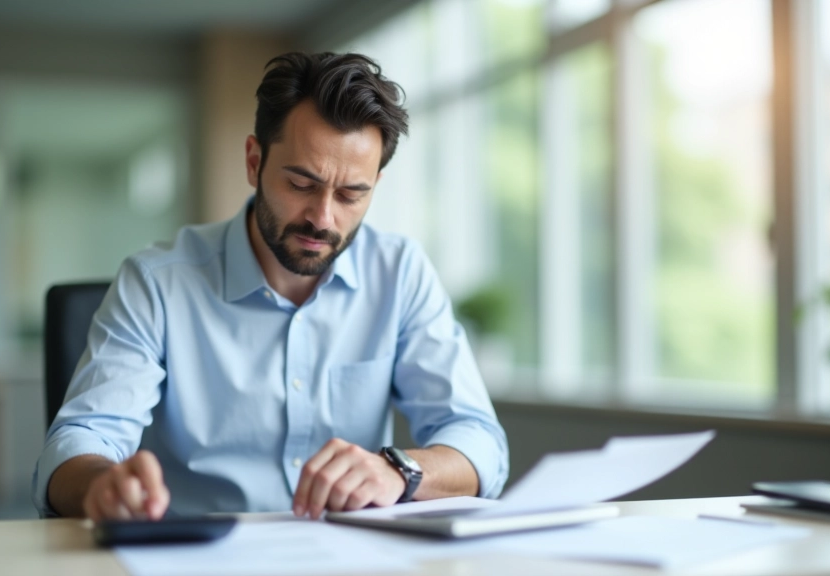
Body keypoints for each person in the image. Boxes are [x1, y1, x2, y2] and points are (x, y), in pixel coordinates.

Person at [32, 52, 509, 521]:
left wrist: (399, 471)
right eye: (302, 184)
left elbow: (480, 442)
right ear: (254, 161)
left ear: (375, 185)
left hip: (348, 559)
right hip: (198, 558)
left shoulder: (400, 273)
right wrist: (102, 485)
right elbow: (79, 441)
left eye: (350, 194)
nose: (323, 218)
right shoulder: (156, 283)